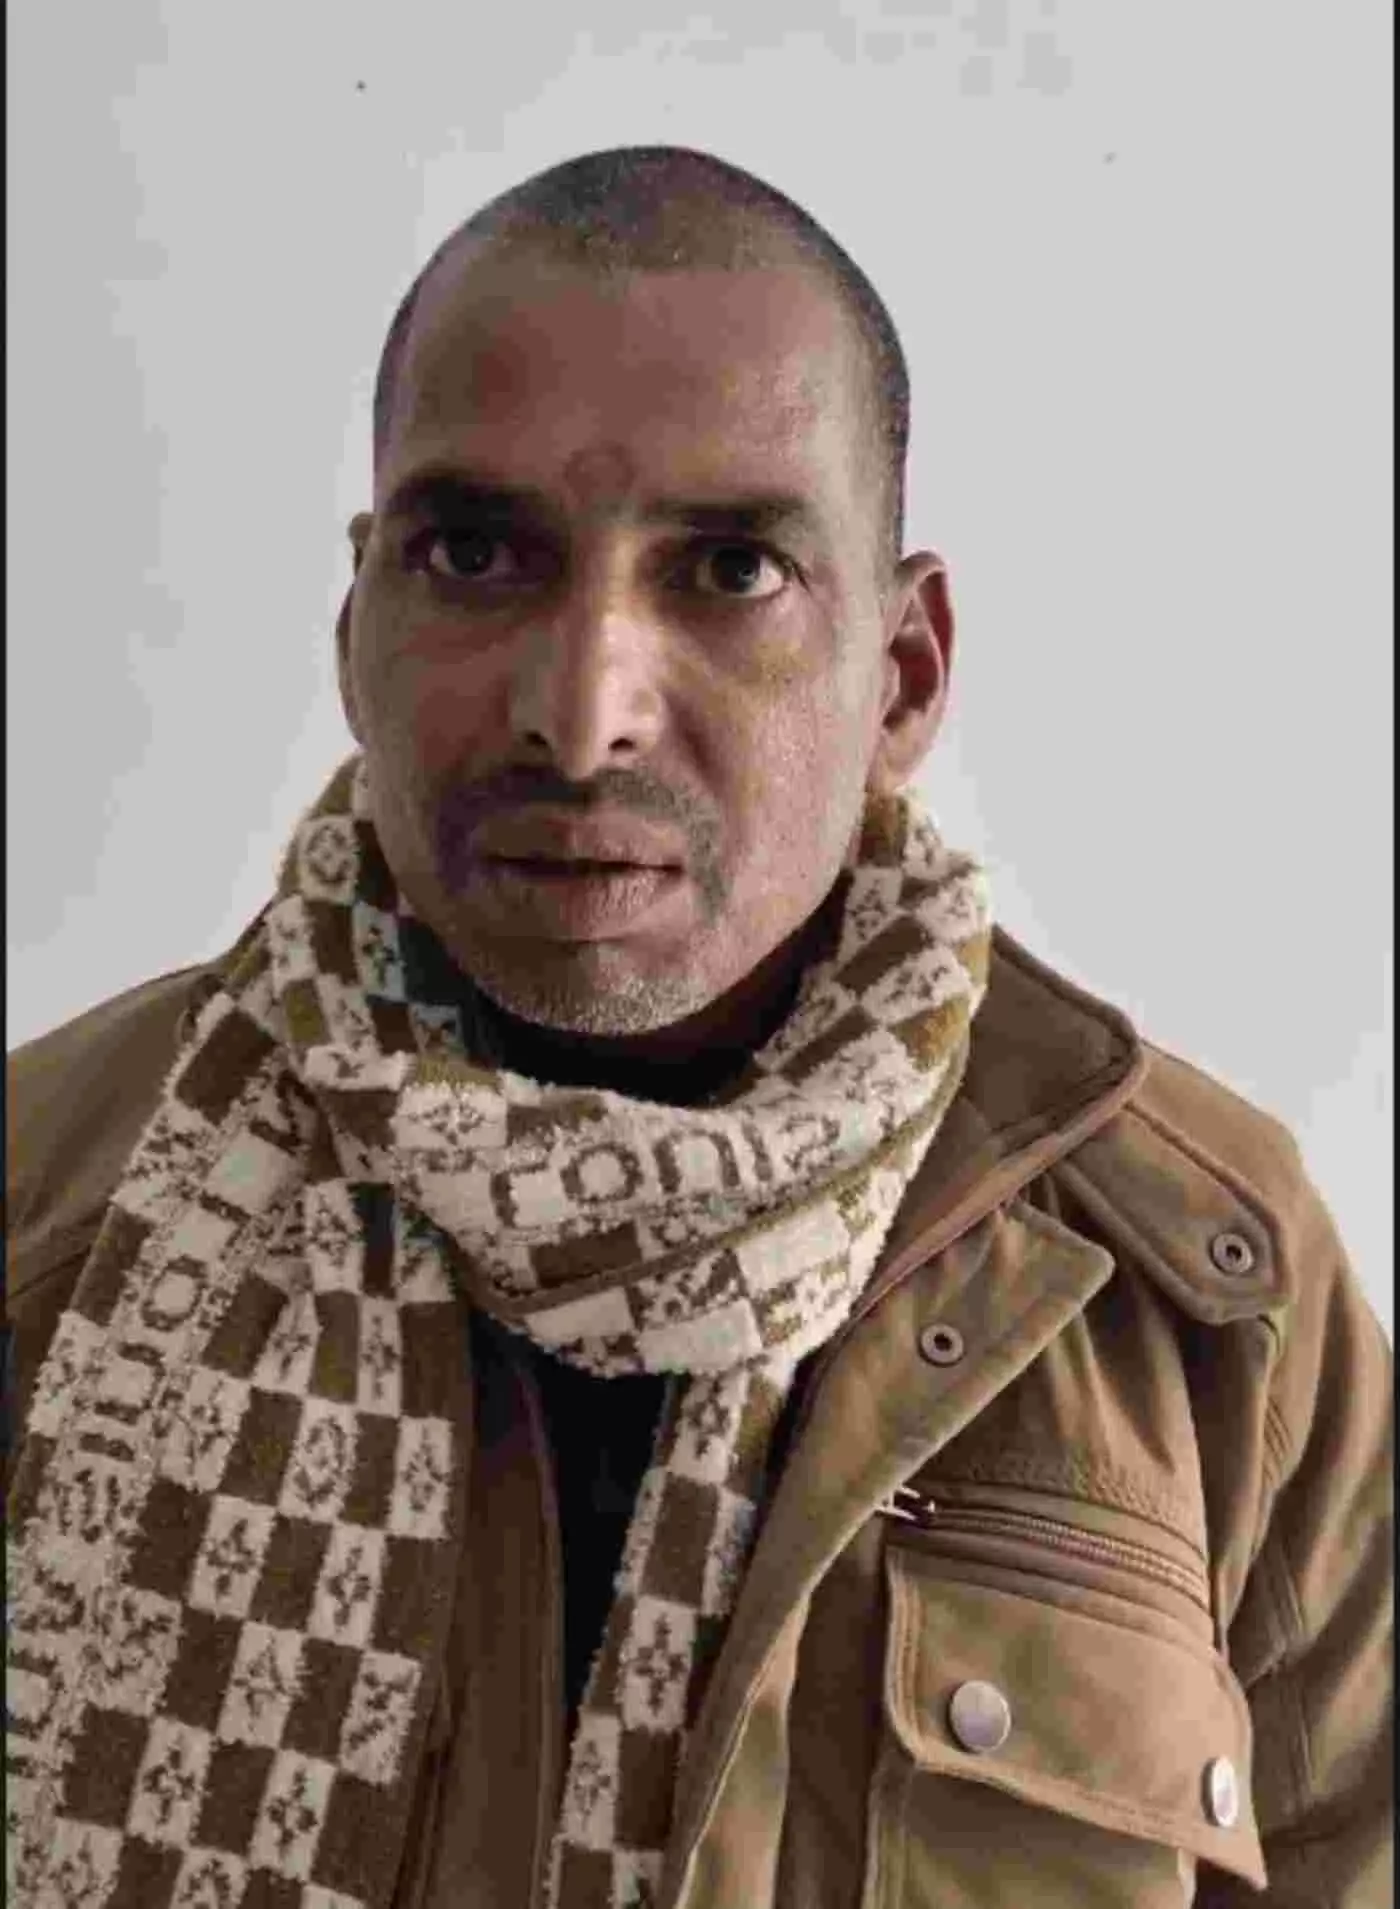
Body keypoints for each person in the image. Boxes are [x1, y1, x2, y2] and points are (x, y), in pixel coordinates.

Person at [5, 145, 1391, 1909]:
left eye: (729, 569)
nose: (583, 711)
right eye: (476, 553)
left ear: (903, 674)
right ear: (358, 628)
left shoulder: (1197, 1291)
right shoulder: (49, 1214)